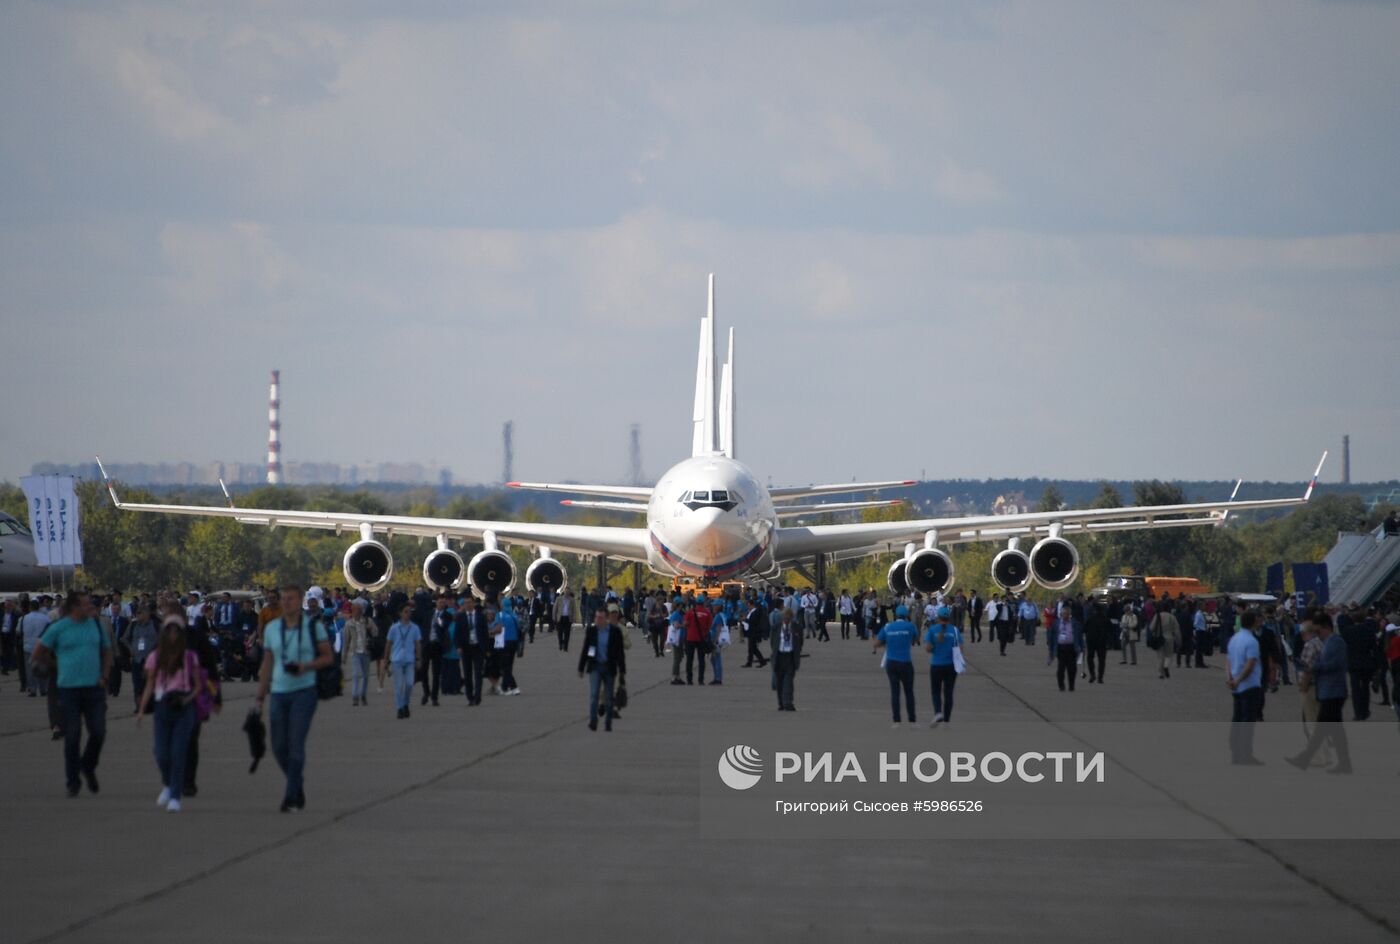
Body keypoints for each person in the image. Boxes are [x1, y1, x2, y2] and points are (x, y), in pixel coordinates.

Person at [254, 586, 335, 813]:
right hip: (279, 692)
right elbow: (267, 664)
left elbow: (328, 657)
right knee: (279, 746)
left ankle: (290, 796)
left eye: (291, 599)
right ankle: (296, 783)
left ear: (300, 601)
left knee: (296, 744)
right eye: (284, 599)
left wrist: (306, 666)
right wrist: (260, 697)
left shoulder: (313, 627)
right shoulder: (271, 629)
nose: (287, 602)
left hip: (304, 691)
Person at [32, 592, 112, 797]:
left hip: (94, 687)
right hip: (68, 689)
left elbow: (107, 651)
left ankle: (87, 765)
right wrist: (55, 665)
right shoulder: (59, 627)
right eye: (86, 604)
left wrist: (104, 675)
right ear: (75, 607)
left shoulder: (95, 626)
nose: (90, 607)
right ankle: (72, 780)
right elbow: (38, 652)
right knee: (73, 735)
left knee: (98, 731)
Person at [135, 615, 202, 811]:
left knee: (178, 752)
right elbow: (149, 684)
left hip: (183, 705)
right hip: (163, 704)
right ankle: (168, 783)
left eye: (176, 632)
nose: (173, 635)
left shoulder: (189, 657)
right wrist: (141, 710)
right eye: (169, 631)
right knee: (161, 752)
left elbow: (198, 686)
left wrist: (187, 699)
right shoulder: (155, 657)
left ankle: (175, 796)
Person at [1286, 611, 1351, 773]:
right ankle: (1342, 763)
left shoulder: (1336, 642)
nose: (1317, 635)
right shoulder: (1329, 642)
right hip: (1329, 690)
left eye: (1318, 631)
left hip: (1333, 690)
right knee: (1334, 730)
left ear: (1326, 628)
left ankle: (1306, 758)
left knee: (1322, 728)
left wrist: (1313, 668)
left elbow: (1334, 664)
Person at [578, 606, 626, 731]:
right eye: (596, 617)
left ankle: (608, 722)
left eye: (601, 618)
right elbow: (586, 649)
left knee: (609, 698)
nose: (598, 620)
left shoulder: (615, 632)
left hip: (609, 667)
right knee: (594, 695)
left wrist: (622, 670)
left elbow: (620, 653)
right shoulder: (592, 631)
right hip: (595, 667)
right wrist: (581, 667)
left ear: (606, 618)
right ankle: (593, 721)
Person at [1226, 611, 1264, 765]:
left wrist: (1231, 679)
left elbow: (1228, 660)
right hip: (1249, 684)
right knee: (1248, 721)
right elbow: (1250, 664)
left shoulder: (1234, 638)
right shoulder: (1252, 641)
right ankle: (1246, 754)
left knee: (1237, 719)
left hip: (1236, 683)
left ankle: (1236, 753)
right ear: (1254, 621)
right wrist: (1240, 679)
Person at [874, 605, 917, 727]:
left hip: (891, 662)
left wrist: (887, 643)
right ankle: (912, 721)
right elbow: (915, 638)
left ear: (895, 615)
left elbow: (877, 643)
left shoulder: (888, 627)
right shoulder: (910, 626)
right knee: (909, 692)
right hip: (906, 662)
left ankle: (896, 721)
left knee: (895, 692)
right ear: (906, 616)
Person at [924, 605, 961, 725]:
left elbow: (928, 649)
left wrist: (936, 646)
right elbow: (960, 648)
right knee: (948, 692)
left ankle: (938, 712)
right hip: (951, 665)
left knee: (936, 691)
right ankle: (947, 719)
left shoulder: (933, 630)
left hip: (936, 664)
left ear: (938, 617)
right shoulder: (954, 630)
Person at [122, 605, 161, 712]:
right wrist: (131, 649)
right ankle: (139, 706)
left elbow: (163, 639)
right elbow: (124, 639)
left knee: (151, 683)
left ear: (147, 613)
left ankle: (151, 705)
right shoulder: (133, 625)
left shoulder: (155, 625)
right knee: (137, 684)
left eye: (140, 613)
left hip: (151, 660)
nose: (137, 615)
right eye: (137, 613)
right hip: (137, 659)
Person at [387, 605, 422, 718]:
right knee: (398, 685)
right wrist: (386, 658)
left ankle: (405, 702)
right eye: (406, 612)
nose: (408, 614)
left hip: (409, 659)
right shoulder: (394, 628)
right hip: (396, 659)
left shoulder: (414, 628)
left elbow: (417, 644)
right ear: (400, 613)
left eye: (409, 612)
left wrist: (418, 658)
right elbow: (389, 643)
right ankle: (400, 708)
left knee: (409, 683)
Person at [455, 594, 489, 706]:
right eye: (466, 603)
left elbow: (485, 633)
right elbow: (457, 633)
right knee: (467, 673)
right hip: (466, 648)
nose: (468, 605)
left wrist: (486, 648)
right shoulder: (460, 617)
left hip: (478, 648)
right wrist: (458, 646)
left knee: (478, 673)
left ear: (473, 603)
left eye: (470, 602)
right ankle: (470, 696)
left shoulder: (480, 616)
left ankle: (477, 696)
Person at [341, 600, 374, 706]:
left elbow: (376, 633)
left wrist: (370, 628)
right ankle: (355, 696)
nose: (357, 612)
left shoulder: (368, 621)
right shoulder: (349, 624)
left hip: (366, 651)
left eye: (359, 610)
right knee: (356, 674)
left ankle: (363, 694)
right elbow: (346, 640)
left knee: (365, 675)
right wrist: (344, 655)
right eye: (355, 610)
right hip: (355, 651)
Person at [770, 608, 802, 711]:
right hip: (779, 656)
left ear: (791, 618)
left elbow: (800, 642)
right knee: (780, 682)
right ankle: (781, 703)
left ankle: (788, 703)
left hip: (790, 657)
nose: (786, 620)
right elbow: (772, 642)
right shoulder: (776, 627)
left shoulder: (797, 628)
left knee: (788, 681)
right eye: (784, 618)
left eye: (788, 618)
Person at [491, 597, 522, 695]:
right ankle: (507, 687)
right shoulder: (514, 615)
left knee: (504, 666)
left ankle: (513, 687)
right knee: (509, 665)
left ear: (503, 605)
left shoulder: (500, 615)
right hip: (514, 642)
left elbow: (496, 627)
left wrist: (489, 632)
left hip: (503, 642)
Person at [1050, 604, 1083, 692]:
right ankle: (1061, 685)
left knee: (1072, 668)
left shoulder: (1075, 623)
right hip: (1061, 648)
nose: (1065, 616)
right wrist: (1051, 647)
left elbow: (1079, 636)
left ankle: (1071, 685)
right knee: (1061, 668)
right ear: (1061, 614)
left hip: (1072, 648)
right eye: (1064, 614)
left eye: (1067, 614)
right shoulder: (1056, 623)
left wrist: (1082, 647)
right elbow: (1052, 635)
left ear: (1070, 614)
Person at [1146, 603, 1181, 680]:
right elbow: (1177, 630)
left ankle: (1160, 673)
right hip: (1169, 638)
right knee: (1169, 655)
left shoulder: (1157, 616)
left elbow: (1151, 628)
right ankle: (1166, 666)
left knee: (1160, 657)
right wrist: (1179, 640)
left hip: (1159, 638)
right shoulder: (1172, 617)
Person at [683, 596, 713, 685]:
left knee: (689, 659)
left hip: (690, 638)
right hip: (701, 638)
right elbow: (709, 626)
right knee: (701, 660)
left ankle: (689, 679)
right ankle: (701, 680)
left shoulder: (690, 612)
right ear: (703, 603)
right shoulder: (707, 613)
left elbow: (686, 624)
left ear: (696, 603)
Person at [1083, 602, 1111, 684]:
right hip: (1102, 641)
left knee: (1090, 658)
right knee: (1102, 660)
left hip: (1091, 641)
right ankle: (1100, 677)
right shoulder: (1105, 619)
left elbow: (1084, 629)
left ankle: (1092, 675)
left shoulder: (1090, 619)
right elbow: (1111, 629)